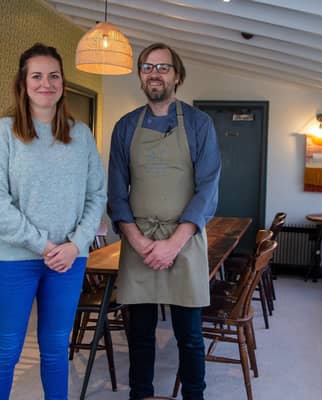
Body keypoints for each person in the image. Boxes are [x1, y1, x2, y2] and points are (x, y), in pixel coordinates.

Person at [0, 43, 106, 400]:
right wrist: (45, 245)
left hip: (68, 261)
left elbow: (97, 196)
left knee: (55, 349)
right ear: (23, 82)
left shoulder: (81, 136)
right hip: (13, 260)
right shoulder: (4, 132)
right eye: (37, 76)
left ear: (62, 82)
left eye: (53, 76)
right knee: (5, 351)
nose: (46, 83)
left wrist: (75, 245)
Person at [108, 43, 221, 400]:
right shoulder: (125, 127)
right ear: (140, 75)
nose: (154, 73)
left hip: (184, 242)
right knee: (138, 334)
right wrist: (140, 242)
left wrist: (174, 243)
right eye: (147, 67)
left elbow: (208, 189)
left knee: (189, 335)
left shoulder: (200, 125)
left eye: (163, 67)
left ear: (177, 76)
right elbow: (116, 193)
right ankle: (139, 394)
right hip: (138, 241)